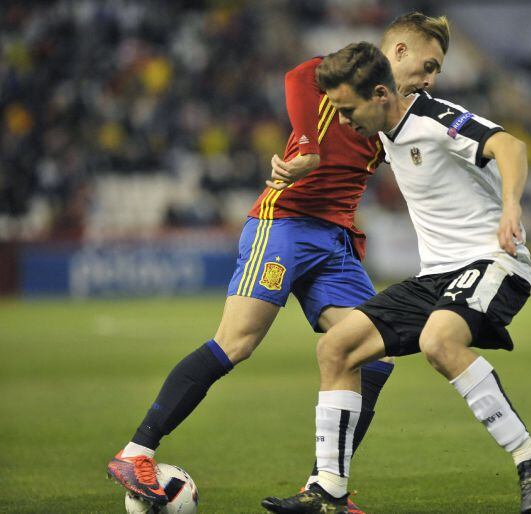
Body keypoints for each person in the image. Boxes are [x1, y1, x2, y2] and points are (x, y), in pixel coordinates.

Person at [106, 13, 451, 511]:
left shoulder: (407, 112)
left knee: (373, 357)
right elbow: (297, 76)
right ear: (398, 53)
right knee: (237, 341)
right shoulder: (351, 73)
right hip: (285, 223)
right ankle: (135, 452)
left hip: (336, 239)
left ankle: (326, 489)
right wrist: (307, 143)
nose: (430, 78)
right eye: (428, 65)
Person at [261, 42, 531, 514]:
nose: (342, 122)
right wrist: (303, 154)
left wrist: (511, 207)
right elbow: (308, 77)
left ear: (380, 95)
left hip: (490, 261)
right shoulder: (382, 126)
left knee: (438, 342)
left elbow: (510, 145)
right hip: (435, 277)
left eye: (346, 110)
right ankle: (328, 491)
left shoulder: (436, 118)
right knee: (335, 348)